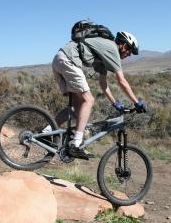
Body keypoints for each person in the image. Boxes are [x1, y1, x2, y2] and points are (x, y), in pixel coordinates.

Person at [51, 30, 147, 159]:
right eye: (130, 51)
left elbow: (103, 83)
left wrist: (115, 103)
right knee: (89, 100)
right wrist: (137, 102)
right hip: (68, 61)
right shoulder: (112, 50)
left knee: (76, 107)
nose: (129, 55)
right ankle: (76, 144)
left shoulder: (103, 54)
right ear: (124, 45)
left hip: (59, 60)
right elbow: (121, 81)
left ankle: (45, 132)